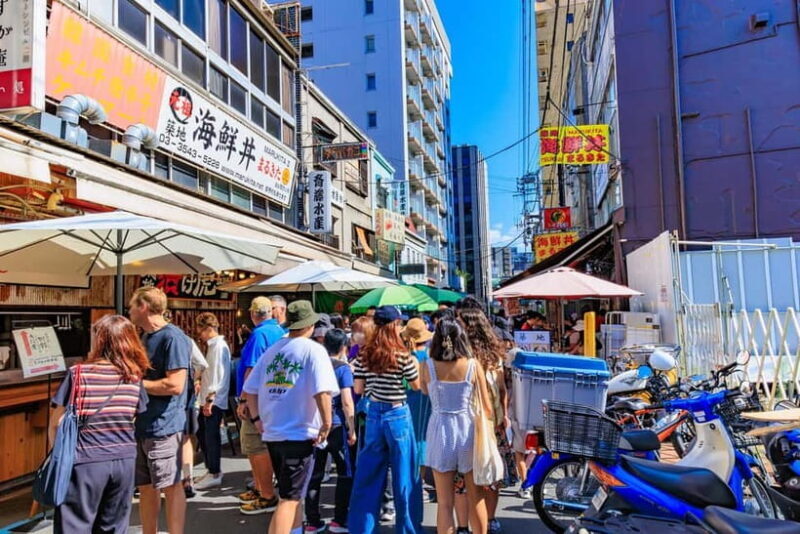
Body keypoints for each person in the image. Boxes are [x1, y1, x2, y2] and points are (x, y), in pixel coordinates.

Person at [244, 300, 339, 534]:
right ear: (310, 324)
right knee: (289, 498)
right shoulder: (314, 350)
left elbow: (250, 390)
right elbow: (322, 392)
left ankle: (297, 530)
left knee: (294, 495)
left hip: (274, 432)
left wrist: (257, 420)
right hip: (298, 432)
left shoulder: (274, 349)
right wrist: (326, 423)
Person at [50, 315, 149, 534]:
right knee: (113, 527)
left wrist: (57, 457)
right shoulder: (134, 377)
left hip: (85, 460)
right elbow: (134, 415)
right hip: (124, 459)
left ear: (101, 340)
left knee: (74, 526)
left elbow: (57, 422)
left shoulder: (79, 374)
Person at [349, 306, 421, 534]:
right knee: (404, 476)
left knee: (368, 474)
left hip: (373, 415)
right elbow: (416, 385)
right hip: (398, 413)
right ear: (394, 326)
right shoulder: (402, 354)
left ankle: (362, 528)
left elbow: (358, 388)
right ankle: (407, 528)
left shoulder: (364, 354)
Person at [129, 287, 191, 534]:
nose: (130, 311)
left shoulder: (172, 338)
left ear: (144, 306)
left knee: (171, 486)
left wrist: (137, 385)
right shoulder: (144, 336)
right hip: (142, 424)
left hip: (163, 425)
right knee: (145, 486)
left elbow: (176, 385)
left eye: (133, 305)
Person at [422, 317, 493, 534]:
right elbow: (488, 407)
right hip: (467, 429)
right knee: (476, 496)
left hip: (440, 429)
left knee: (444, 503)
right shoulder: (472, 365)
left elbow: (425, 391)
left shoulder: (428, 365)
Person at [458, 307, 511, 534]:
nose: (457, 326)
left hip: (471, 422)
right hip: (491, 421)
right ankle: (489, 520)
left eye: (461, 322)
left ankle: (470, 525)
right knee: (489, 476)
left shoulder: (462, 356)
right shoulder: (494, 355)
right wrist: (504, 415)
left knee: (466, 478)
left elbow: (501, 389)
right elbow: (502, 390)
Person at [305, 329, 357, 533]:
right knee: (344, 472)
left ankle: (312, 520)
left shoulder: (314, 366)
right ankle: (339, 519)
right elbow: (347, 401)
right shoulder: (343, 368)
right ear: (344, 347)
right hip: (336, 425)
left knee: (315, 473)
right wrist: (352, 428)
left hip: (314, 425)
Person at [237, 297, 285, 514]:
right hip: (273, 396)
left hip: (257, 398)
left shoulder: (259, 334)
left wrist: (244, 399)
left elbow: (251, 369)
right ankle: (259, 489)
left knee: (255, 446)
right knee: (258, 445)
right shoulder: (278, 331)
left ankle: (265, 494)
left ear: (254, 314)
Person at [402, 317, 434, 526]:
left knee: (417, 440)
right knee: (421, 439)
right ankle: (421, 484)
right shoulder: (428, 357)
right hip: (425, 401)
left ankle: (419, 484)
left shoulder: (411, 357)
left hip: (413, 401)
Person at [194, 312, 231, 490]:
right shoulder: (215, 346)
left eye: (200, 330)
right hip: (209, 398)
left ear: (208, 328)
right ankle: (211, 470)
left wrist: (210, 398)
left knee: (210, 436)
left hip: (212, 399)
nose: (199, 334)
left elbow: (219, 375)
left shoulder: (217, 347)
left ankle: (214, 471)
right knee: (204, 434)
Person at [183, 339, 208, 498]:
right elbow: (202, 364)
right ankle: (187, 480)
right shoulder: (186, 340)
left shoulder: (148, 337)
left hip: (170, 397)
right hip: (186, 394)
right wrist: (194, 378)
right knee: (185, 439)